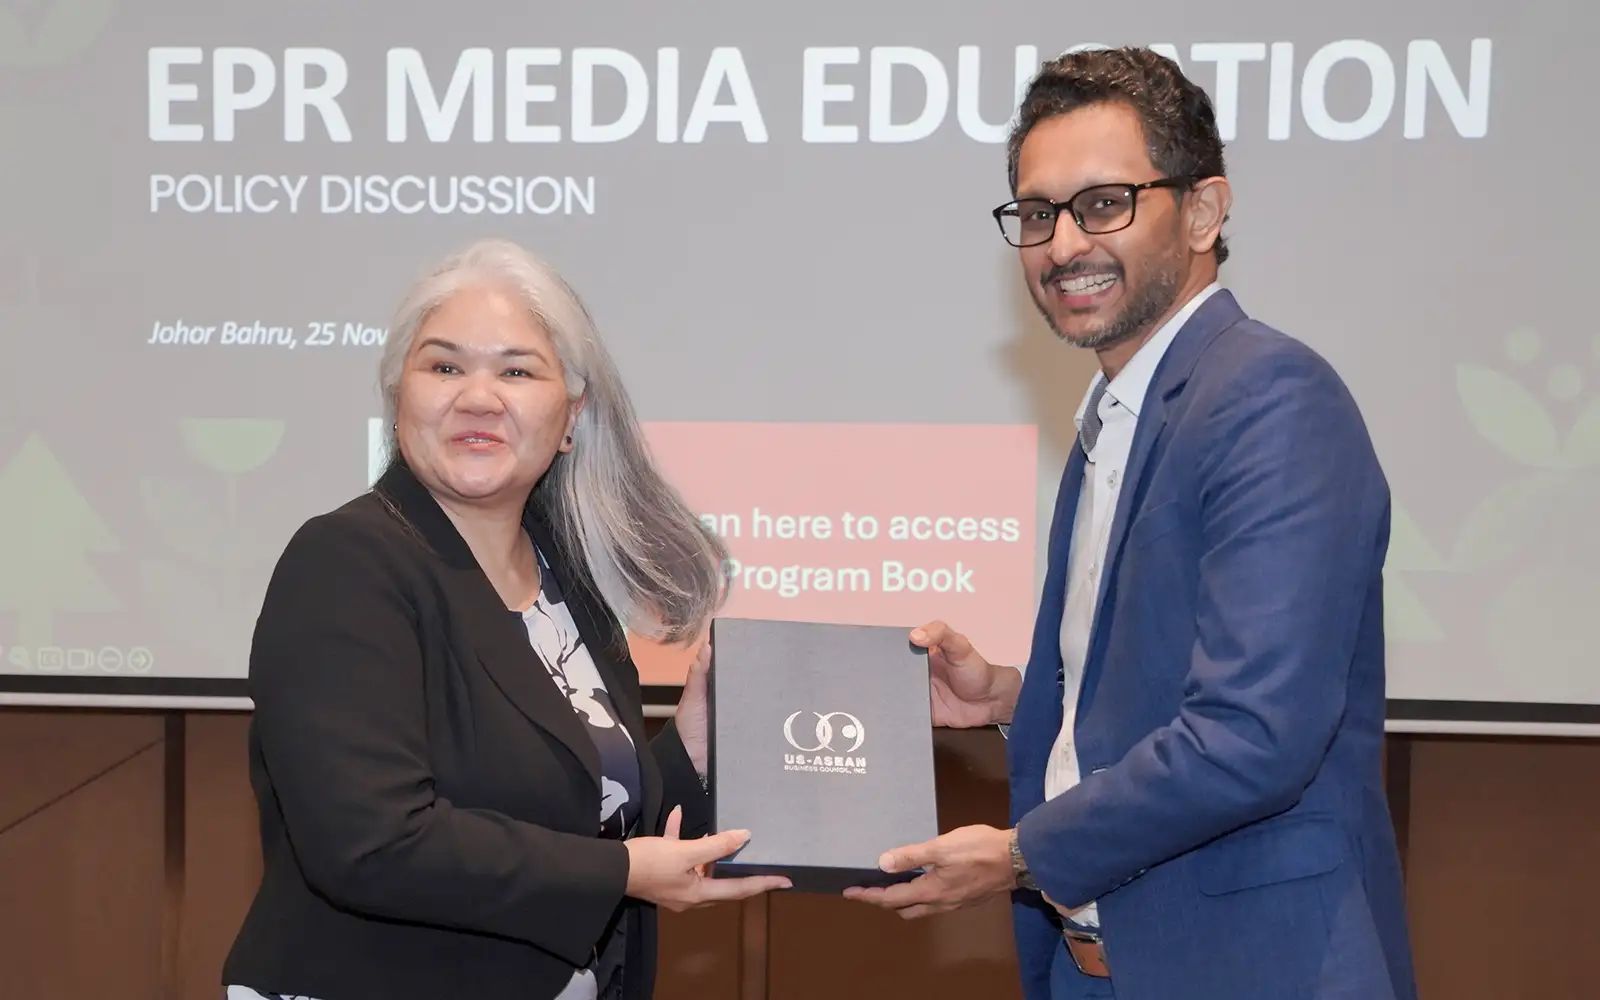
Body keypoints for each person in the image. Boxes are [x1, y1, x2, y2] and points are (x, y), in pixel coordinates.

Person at [844, 48, 1417, 1000]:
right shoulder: (1118, 414)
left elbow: (1253, 735)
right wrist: (1011, 700)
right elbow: (1154, 681)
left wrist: (1021, 854)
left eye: (1104, 203)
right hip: (1100, 966)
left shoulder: (1270, 398)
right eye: (1038, 214)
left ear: (1201, 211)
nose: (1065, 242)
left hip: (1253, 968)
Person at [222, 238, 789, 1000]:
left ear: (569, 418)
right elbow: (373, 843)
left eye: (517, 370)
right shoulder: (347, 563)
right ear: (399, 399)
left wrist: (694, 735)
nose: (478, 397)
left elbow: (593, 811)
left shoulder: (566, 580)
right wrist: (625, 872)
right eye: (444, 366)